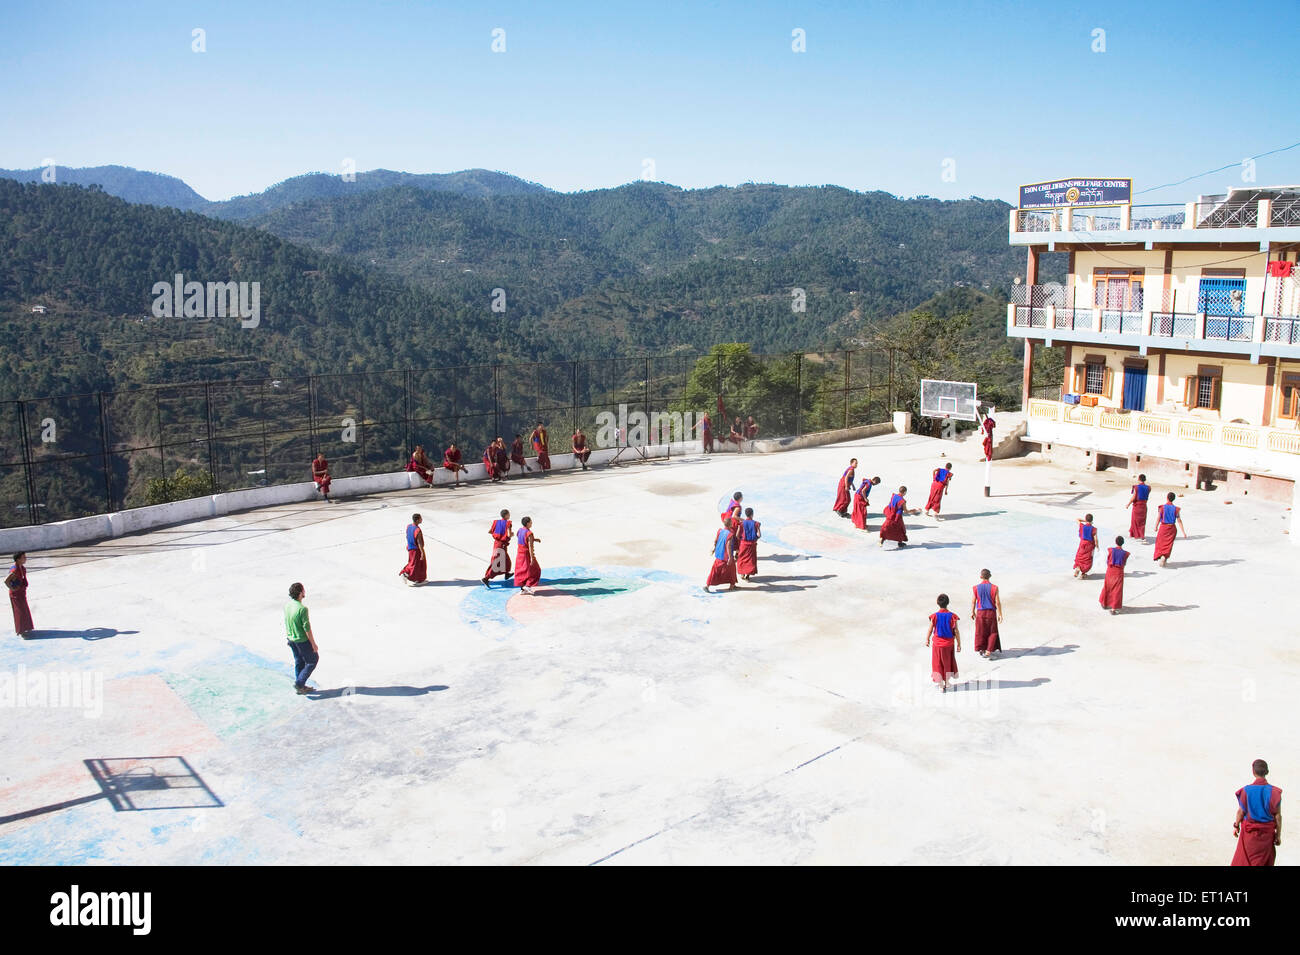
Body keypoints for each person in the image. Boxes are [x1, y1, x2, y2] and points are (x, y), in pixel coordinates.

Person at [1233, 759, 1282, 867]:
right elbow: (1278, 816)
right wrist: (1278, 835)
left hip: (1249, 835)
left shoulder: (1246, 790)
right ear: (1266, 772)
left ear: (1253, 772)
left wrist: (1236, 825)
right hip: (1267, 835)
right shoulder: (1274, 792)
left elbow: (1241, 812)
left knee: (1245, 862)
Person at [284, 582, 320, 695]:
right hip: (301, 640)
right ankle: (299, 683)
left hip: (291, 639)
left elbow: (287, 621)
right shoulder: (302, 609)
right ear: (300, 593)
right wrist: (313, 644)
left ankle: (301, 686)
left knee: (299, 661)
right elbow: (307, 628)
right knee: (312, 660)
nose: (305, 591)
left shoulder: (288, 605)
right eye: (303, 590)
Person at [926, 593, 961, 692]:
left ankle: (941, 684)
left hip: (937, 644)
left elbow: (930, 629)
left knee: (937, 662)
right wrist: (959, 643)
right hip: (949, 644)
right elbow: (956, 631)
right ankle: (947, 682)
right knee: (947, 662)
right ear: (948, 603)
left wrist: (927, 639)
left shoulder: (934, 616)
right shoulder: (952, 616)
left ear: (938, 603)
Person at [970, 568, 1003, 658]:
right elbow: (997, 602)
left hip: (980, 612)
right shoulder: (994, 588)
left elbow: (973, 601)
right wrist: (1000, 614)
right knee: (992, 631)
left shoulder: (976, 588)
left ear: (981, 576)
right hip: (991, 612)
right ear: (990, 576)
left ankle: (982, 649)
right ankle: (988, 651)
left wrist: (972, 611)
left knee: (981, 631)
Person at [1152, 492, 1186, 567]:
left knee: (1160, 543)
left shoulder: (1162, 507)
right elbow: (1179, 520)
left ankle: (1161, 556)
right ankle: (1164, 557)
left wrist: (1156, 526)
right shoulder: (1176, 509)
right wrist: (1183, 532)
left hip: (1163, 527)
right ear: (1174, 499)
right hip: (1172, 528)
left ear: (1167, 497)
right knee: (1168, 544)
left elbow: (1158, 517)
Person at [5, 552, 34, 639]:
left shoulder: (21, 568)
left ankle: (27, 627)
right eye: (23, 557)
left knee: (24, 610)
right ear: (18, 559)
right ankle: (21, 631)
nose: (25, 559)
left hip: (21, 593)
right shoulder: (15, 569)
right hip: (16, 595)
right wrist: (13, 589)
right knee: (19, 612)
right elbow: (6, 581)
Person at [1099, 535, 1129, 614]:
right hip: (1119, 572)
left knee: (1107, 586)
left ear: (1116, 542)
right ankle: (1113, 608)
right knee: (1117, 590)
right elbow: (1124, 563)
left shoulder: (1111, 550)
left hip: (1110, 571)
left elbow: (1108, 560)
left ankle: (1104, 603)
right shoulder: (1125, 553)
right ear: (1123, 543)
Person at [482, 509, 513, 586]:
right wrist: (512, 534)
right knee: (497, 563)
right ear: (506, 515)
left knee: (507, 561)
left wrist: (498, 533)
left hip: (497, 543)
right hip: (502, 545)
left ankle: (507, 574)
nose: (509, 515)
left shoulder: (496, 522)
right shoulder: (508, 523)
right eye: (509, 514)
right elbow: (509, 535)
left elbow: (490, 531)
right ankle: (486, 578)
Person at [704, 523, 738, 592]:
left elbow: (716, 541)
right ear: (730, 524)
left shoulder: (720, 531)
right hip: (725, 556)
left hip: (719, 554)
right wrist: (730, 557)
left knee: (716, 570)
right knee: (730, 570)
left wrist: (714, 549)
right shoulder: (730, 534)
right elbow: (728, 546)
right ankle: (707, 585)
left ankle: (732, 585)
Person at [514, 516, 542, 594]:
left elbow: (523, 538)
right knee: (535, 570)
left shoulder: (519, 530)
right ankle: (527, 586)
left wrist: (534, 539)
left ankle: (523, 588)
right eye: (530, 522)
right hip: (526, 554)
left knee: (521, 571)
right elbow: (530, 546)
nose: (531, 523)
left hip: (519, 554)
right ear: (527, 523)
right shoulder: (529, 533)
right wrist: (532, 557)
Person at [398, 513, 427, 586]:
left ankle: (419, 579)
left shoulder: (409, 526)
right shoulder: (418, 530)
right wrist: (422, 553)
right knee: (416, 565)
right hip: (416, 550)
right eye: (420, 518)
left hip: (410, 548)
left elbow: (407, 536)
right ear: (417, 520)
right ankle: (407, 575)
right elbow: (419, 543)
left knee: (413, 563)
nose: (422, 519)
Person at [736, 507, 761, 581]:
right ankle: (747, 576)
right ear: (752, 514)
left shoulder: (741, 523)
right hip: (752, 545)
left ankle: (742, 574)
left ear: (745, 514)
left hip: (743, 544)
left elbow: (737, 535)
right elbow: (759, 535)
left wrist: (741, 540)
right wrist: (756, 537)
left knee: (742, 559)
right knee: (751, 560)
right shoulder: (756, 524)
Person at [1073, 514, 1099, 579]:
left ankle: (1078, 567)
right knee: (1087, 559)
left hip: (1082, 544)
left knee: (1080, 556)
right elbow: (1095, 539)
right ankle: (1083, 574)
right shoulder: (1094, 529)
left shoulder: (1082, 526)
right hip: (1089, 546)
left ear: (1086, 519)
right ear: (1092, 520)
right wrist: (1097, 546)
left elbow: (1077, 519)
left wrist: (1085, 521)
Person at [1126, 473, 1152, 540]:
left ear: (1138, 479)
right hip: (1144, 506)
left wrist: (1128, 504)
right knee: (1142, 522)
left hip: (1137, 506)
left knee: (1135, 520)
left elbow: (1134, 497)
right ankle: (1141, 535)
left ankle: (1135, 534)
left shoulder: (1136, 487)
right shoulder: (1149, 488)